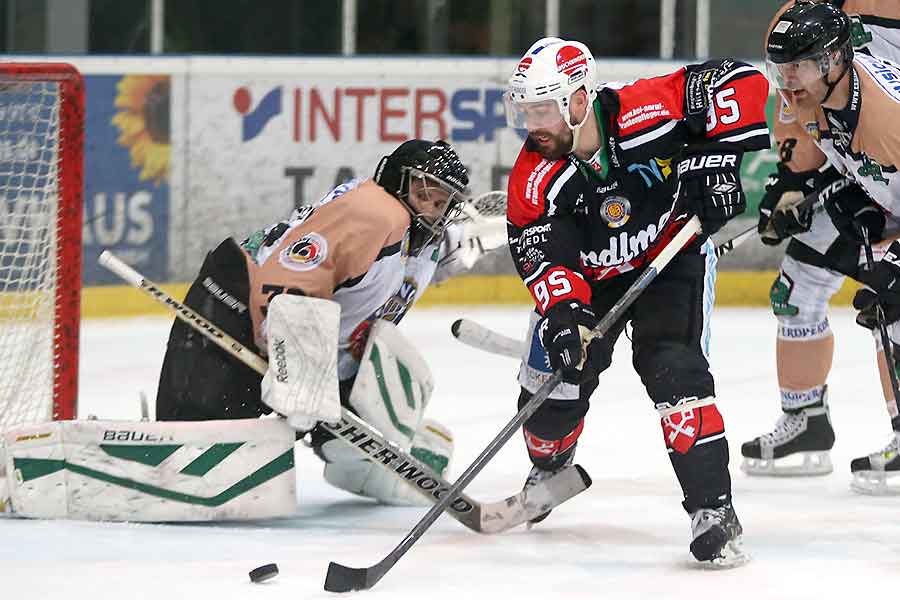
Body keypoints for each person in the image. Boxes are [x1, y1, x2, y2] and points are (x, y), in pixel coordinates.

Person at [503, 38, 770, 565]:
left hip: (671, 258)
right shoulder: (533, 178)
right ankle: (552, 464)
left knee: (675, 369)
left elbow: (742, 79)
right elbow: (543, 254)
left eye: (543, 110)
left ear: (580, 100)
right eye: (526, 111)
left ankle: (714, 510)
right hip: (592, 281)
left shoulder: (647, 107)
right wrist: (562, 314)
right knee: (552, 392)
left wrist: (715, 162)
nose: (533, 125)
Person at [154, 139, 478, 505]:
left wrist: (475, 237)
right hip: (237, 310)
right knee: (191, 455)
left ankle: (369, 461)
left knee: (352, 394)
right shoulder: (376, 212)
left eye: (441, 203)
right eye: (424, 195)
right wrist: (298, 368)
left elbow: (417, 257)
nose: (432, 210)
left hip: (306, 340)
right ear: (396, 181)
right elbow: (290, 280)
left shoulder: (418, 236)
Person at [742, 0, 900, 481]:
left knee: (892, 302)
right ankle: (805, 418)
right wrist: (796, 185)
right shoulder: (810, 77)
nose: (786, 83)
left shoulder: (885, 119)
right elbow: (815, 139)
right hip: (881, 187)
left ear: (834, 61)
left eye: (798, 70)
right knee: (799, 277)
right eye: (781, 71)